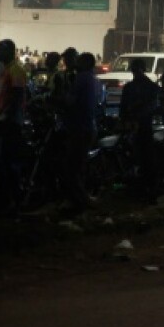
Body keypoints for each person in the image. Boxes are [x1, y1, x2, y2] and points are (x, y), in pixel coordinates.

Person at [61, 52, 102, 213]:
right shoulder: (93, 79)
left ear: (85, 63)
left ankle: (79, 203)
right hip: (88, 127)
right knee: (77, 167)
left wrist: (59, 97)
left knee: (71, 168)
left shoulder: (82, 78)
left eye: (79, 61)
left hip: (80, 128)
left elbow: (70, 100)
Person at [0, 38, 28, 210]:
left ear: (9, 51)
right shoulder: (6, 70)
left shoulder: (16, 71)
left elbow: (17, 96)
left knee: (9, 161)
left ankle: (14, 200)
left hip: (11, 123)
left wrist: (6, 118)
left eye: (0, 50)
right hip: (5, 120)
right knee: (3, 161)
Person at [119, 58, 160, 201]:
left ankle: (144, 188)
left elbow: (125, 108)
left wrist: (130, 120)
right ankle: (145, 187)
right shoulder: (147, 86)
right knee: (143, 157)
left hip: (141, 126)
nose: (135, 71)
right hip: (140, 126)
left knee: (142, 157)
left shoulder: (135, 87)